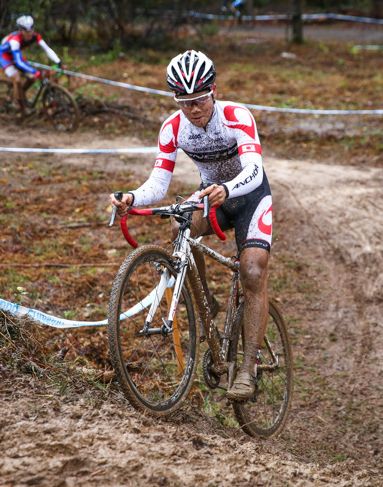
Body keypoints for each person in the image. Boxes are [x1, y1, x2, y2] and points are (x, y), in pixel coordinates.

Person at [110, 50, 272, 402]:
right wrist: (133, 199)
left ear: (213, 90)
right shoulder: (173, 127)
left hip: (248, 195)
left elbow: (255, 168)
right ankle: (206, 303)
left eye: (199, 100)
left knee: (253, 273)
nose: (193, 109)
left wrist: (227, 188)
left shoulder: (236, 115)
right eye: (185, 102)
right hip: (209, 194)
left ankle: (248, 368)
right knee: (177, 228)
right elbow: (158, 182)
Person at [0, 15, 66, 112]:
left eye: (31, 30)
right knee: (17, 79)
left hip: (16, 54)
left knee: (32, 78)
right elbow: (19, 62)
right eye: (26, 32)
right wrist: (36, 72)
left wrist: (59, 61)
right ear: (20, 31)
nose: (29, 34)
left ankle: (21, 92)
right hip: (3, 56)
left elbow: (46, 49)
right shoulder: (15, 40)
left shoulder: (35, 36)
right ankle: (18, 104)